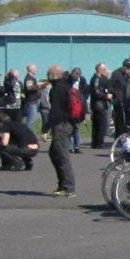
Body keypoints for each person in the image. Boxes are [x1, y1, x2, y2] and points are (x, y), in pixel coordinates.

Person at [43, 65, 80, 197]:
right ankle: (62, 184)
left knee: (61, 155)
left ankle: (69, 187)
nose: (47, 76)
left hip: (62, 125)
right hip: (67, 123)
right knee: (53, 153)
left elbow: (55, 111)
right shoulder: (66, 86)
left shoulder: (57, 89)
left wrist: (45, 129)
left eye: (49, 74)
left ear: (55, 75)